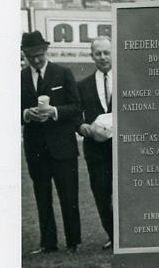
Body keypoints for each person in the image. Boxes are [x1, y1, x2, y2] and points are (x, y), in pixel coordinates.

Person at [20, 30, 82, 254]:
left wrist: (54, 111)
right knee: (42, 196)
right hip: (36, 148)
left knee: (69, 196)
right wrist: (27, 114)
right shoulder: (21, 78)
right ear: (25, 55)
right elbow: (11, 111)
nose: (36, 59)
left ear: (46, 50)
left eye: (39, 54)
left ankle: (73, 242)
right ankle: (48, 243)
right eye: (30, 56)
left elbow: (76, 107)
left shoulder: (63, 73)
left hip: (63, 146)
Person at [75, 36, 116, 249]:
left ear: (113, 52)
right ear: (92, 56)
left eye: (106, 52)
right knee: (101, 193)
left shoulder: (127, 81)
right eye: (98, 53)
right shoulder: (82, 85)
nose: (102, 57)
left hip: (122, 149)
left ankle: (128, 237)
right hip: (96, 151)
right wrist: (83, 128)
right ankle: (113, 235)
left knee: (125, 193)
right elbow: (75, 113)